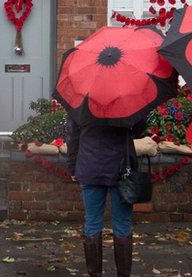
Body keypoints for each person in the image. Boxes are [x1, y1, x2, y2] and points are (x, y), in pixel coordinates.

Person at [67, 113, 143, 277]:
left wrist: (72, 166)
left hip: (90, 165)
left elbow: (73, 136)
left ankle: (95, 274)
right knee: (122, 223)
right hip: (122, 168)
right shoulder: (125, 98)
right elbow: (139, 128)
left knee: (92, 222)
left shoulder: (80, 100)